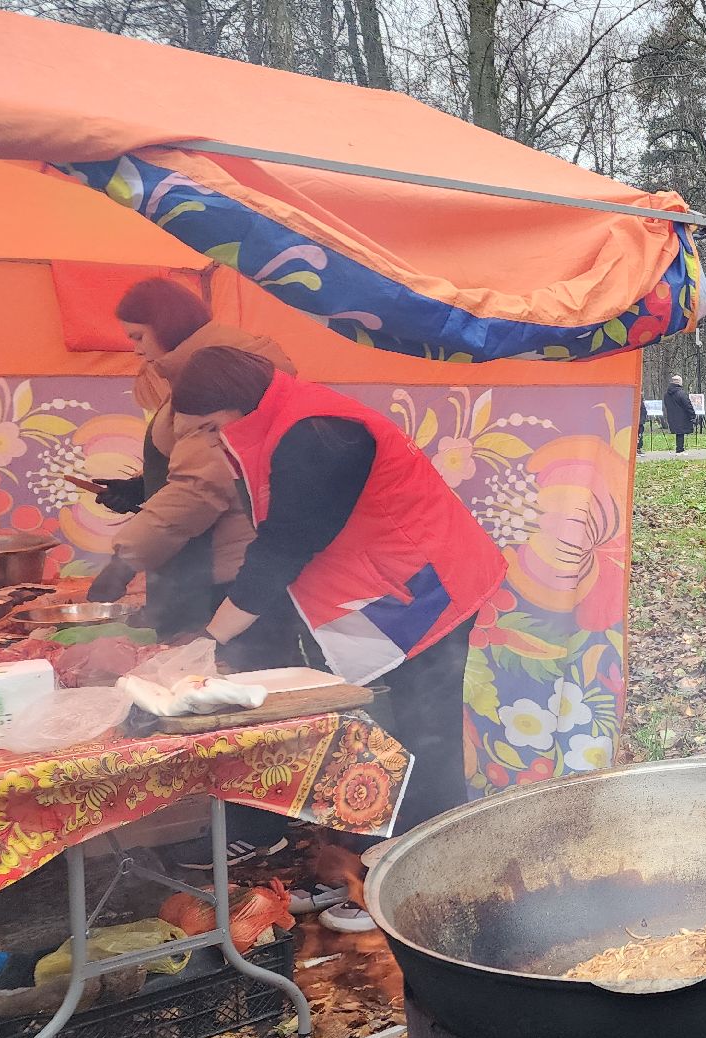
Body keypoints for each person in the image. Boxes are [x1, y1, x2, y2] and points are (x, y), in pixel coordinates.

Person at [169, 346, 507, 835]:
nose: (213, 442)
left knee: (425, 735)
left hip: (425, 585)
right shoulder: (279, 415)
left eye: (212, 428)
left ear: (238, 406)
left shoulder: (314, 434)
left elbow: (284, 546)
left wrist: (211, 637)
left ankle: (435, 861)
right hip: (382, 587)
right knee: (377, 731)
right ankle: (368, 854)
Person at [90, 279, 296, 661]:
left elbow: (202, 487)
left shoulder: (218, 376)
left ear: (165, 327)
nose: (136, 350)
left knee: (229, 689)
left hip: (225, 574)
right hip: (219, 565)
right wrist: (141, 488)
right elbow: (198, 464)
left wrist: (126, 559)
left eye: (138, 336)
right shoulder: (209, 367)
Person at [663, 373, 697, 454]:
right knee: (681, 432)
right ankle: (680, 450)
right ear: (679, 382)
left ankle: (679, 448)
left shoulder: (666, 394)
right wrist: (692, 415)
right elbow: (687, 405)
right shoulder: (681, 393)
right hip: (682, 416)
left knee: (679, 433)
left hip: (672, 416)